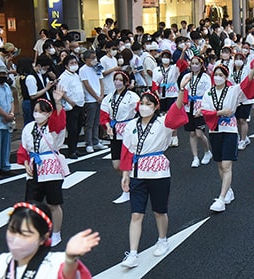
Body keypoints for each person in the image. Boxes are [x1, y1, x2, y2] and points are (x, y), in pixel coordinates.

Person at [119, 89, 188, 269]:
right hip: (137, 173)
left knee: (159, 211)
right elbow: (126, 151)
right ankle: (132, 253)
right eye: (142, 103)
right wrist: (125, 174)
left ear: (156, 106)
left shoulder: (162, 123)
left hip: (158, 172)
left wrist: (181, 90)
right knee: (136, 213)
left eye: (149, 104)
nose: (144, 107)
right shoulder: (131, 125)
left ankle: (162, 239)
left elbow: (177, 108)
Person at [0, 201, 100, 279]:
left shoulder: (56, 262)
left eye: (25, 234)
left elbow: (67, 275)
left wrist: (70, 259)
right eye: (12, 230)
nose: (16, 239)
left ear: (43, 238)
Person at [201, 60, 254, 213]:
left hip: (229, 130)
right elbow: (205, 111)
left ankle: (221, 198)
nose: (218, 77)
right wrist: (220, 113)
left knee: (227, 165)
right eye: (216, 75)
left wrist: (253, 69)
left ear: (226, 77)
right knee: (220, 164)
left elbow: (246, 83)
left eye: (221, 75)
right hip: (215, 131)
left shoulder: (232, 90)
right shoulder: (208, 93)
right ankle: (227, 190)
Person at [16, 89, 68, 247]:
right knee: (32, 203)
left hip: (51, 166)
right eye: (35, 111)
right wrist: (25, 162)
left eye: (41, 111)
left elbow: (59, 122)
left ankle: (56, 233)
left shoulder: (53, 126)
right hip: (35, 165)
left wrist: (58, 102)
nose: (37, 114)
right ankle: (34, 233)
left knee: (53, 203)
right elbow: (24, 148)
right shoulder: (29, 127)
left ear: (48, 113)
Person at [100, 71, 140, 204]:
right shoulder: (109, 97)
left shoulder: (132, 96)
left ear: (125, 82)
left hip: (128, 132)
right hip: (115, 132)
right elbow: (104, 114)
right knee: (116, 165)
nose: (117, 82)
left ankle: (126, 190)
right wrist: (107, 125)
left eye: (120, 80)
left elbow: (141, 110)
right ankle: (130, 180)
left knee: (126, 162)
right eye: (115, 79)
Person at [181, 56, 212, 167]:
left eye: (196, 63)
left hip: (200, 106)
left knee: (199, 133)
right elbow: (182, 89)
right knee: (192, 133)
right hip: (189, 106)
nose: (194, 66)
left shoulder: (205, 78)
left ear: (201, 65)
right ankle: (195, 157)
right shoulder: (186, 76)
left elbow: (208, 93)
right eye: (192, 63)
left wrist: (203, 107)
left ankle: (207, 151)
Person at [57, 55, 86, 160]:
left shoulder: (75, 75)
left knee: (78, 128)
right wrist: (70, 101)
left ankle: (75, 147)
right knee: (72, 129)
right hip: (71, 106)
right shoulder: (64, 77)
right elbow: (62, 91)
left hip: (80, 104)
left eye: (75, 63)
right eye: (71, 63)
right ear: (66, 65)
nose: (74, 65)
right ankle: (71, 150)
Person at [79, 50, 107, 154]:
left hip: (99, 97)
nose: (94, 60)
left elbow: (101, 80)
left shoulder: (97, 67)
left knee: (97, 122)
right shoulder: (83, 70)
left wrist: (101, 95)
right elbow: (86, 85)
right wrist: (96, 96)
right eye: (92, 58)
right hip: (90, 99)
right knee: (89, 123)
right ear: (86, 59)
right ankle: (89, 143)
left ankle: (96, 141)